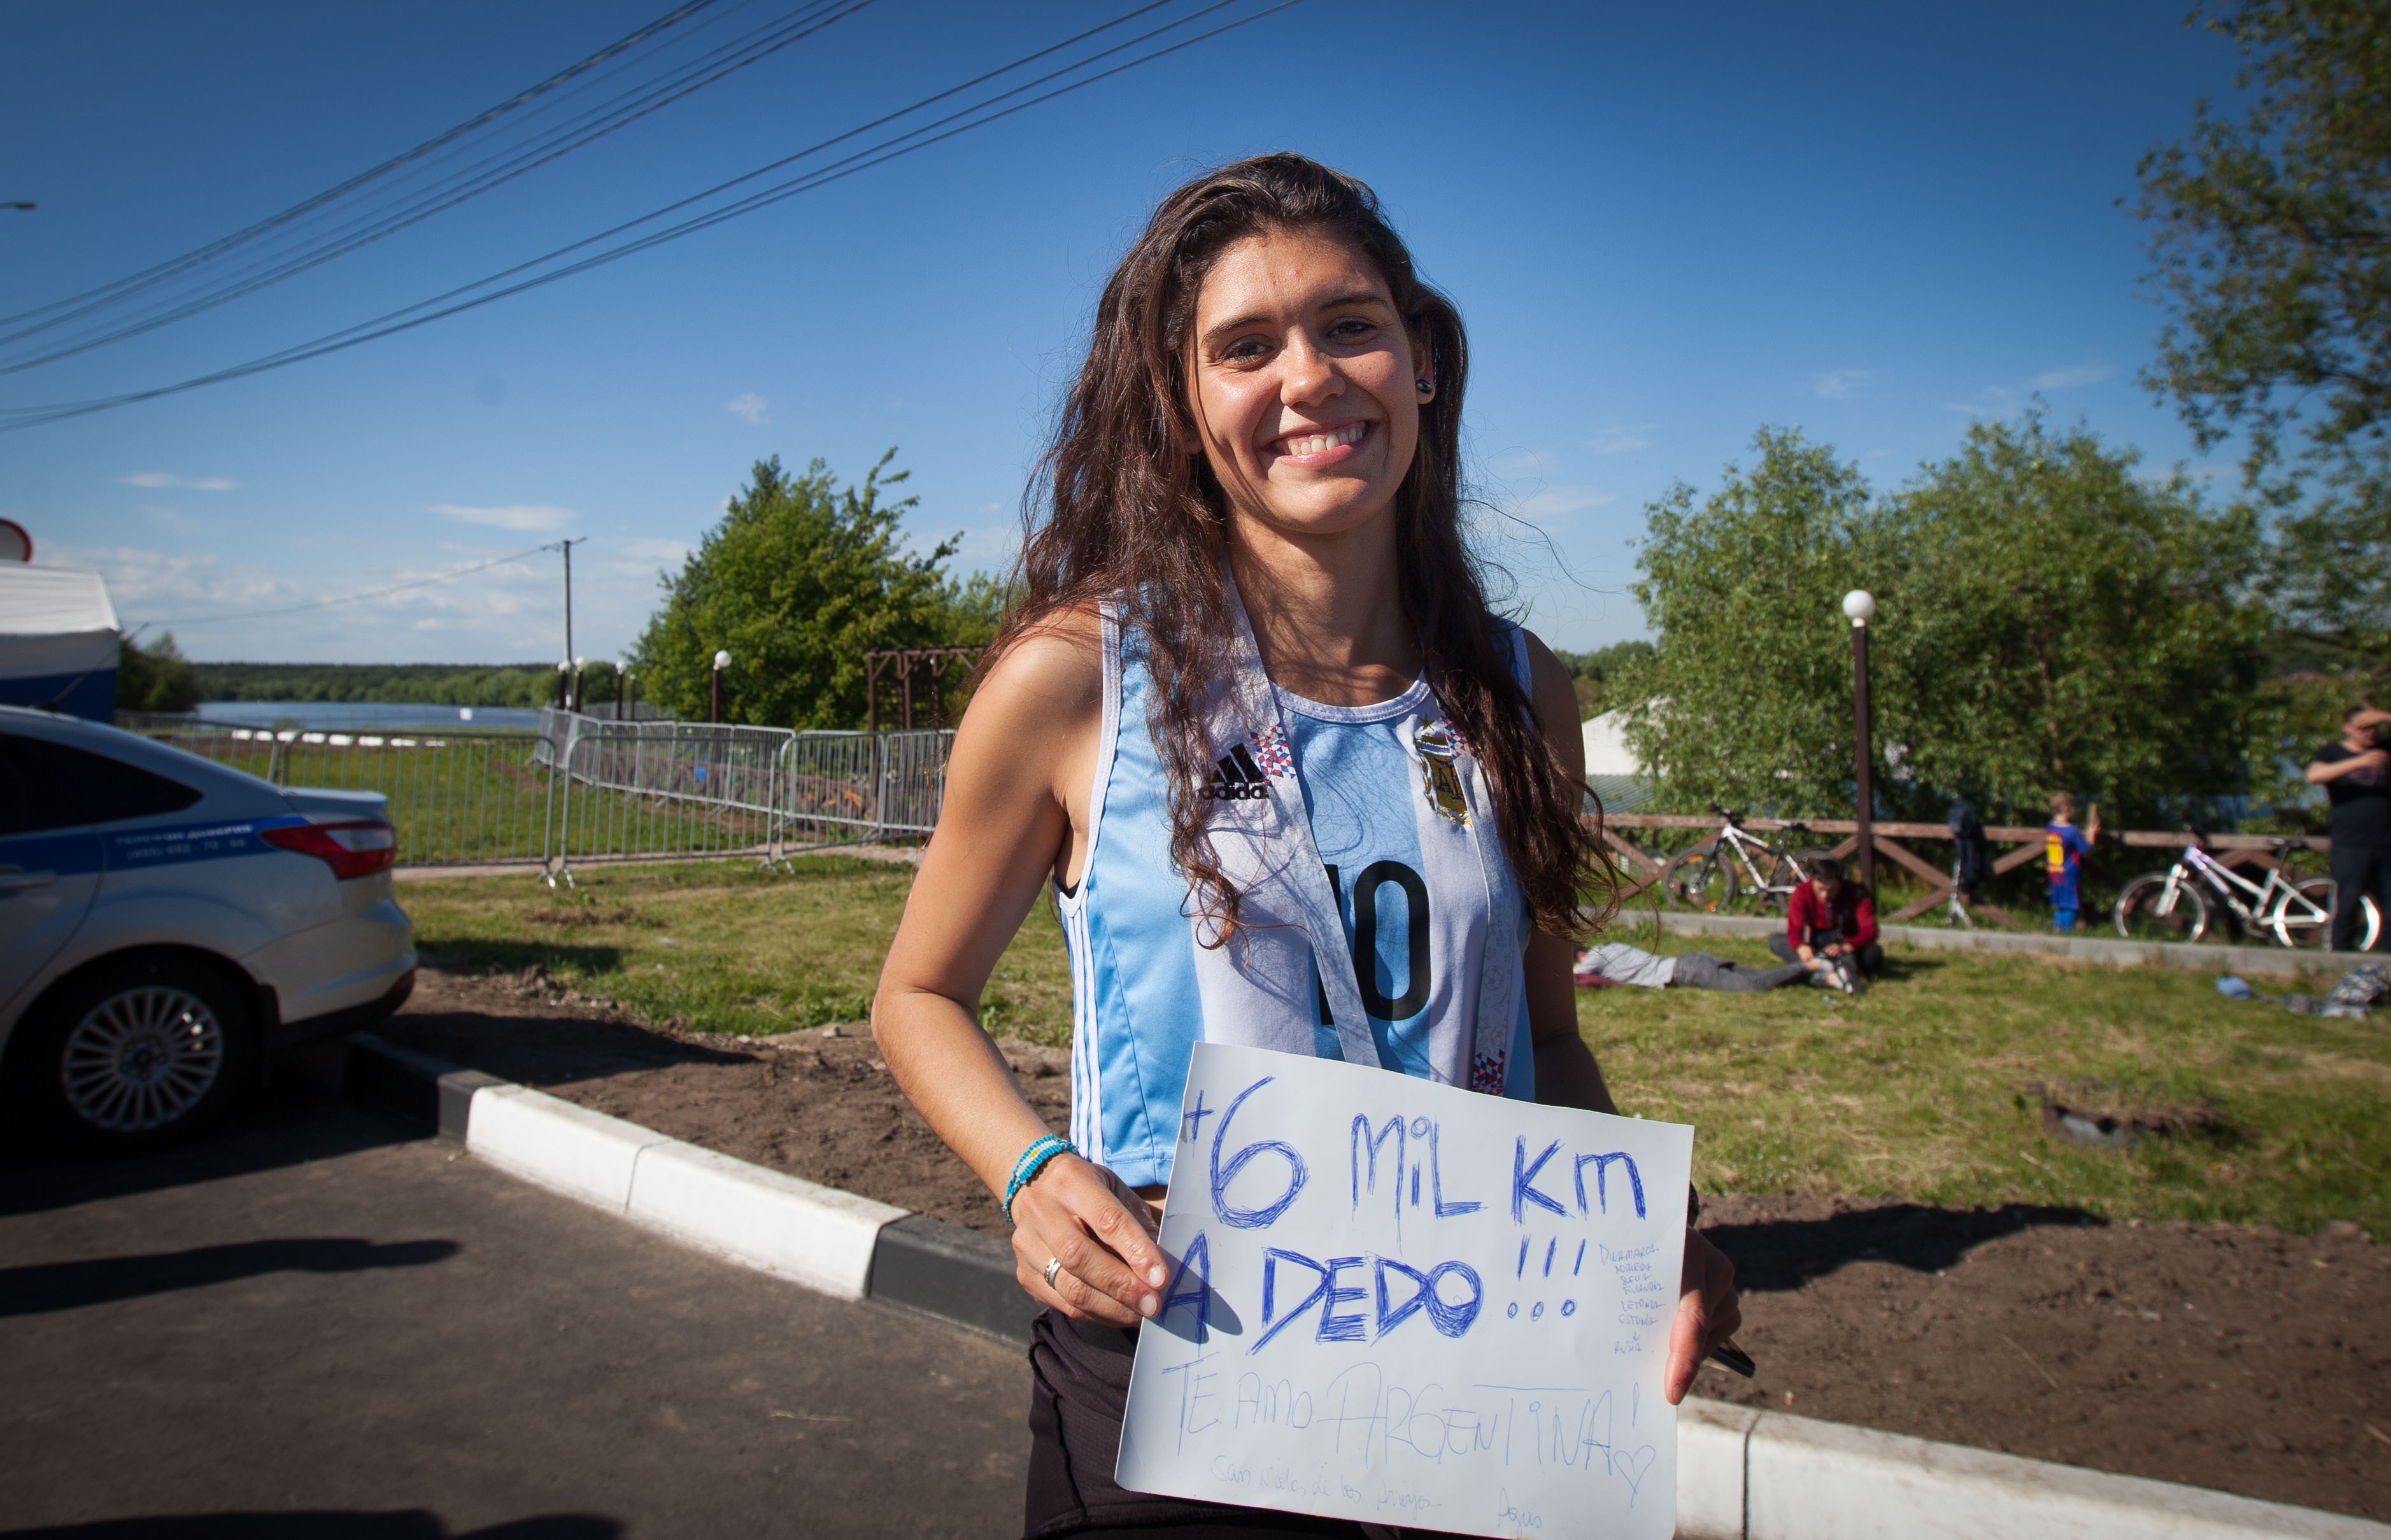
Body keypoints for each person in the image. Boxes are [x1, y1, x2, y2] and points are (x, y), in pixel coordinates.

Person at [871, 155, 1741, 1539]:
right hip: (1179, 1359)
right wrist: (1031, 1177)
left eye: (1349, 326)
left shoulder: (1525, 696)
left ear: (1421, 362)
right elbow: (914, 995)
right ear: (1181, 400)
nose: (1309, 378)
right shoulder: (1072, 679)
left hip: (1484, 1373)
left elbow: (1553, 1043)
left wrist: (1643, 1234)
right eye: (1243, 347)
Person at [2306, 703, 2391, 952]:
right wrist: (2359, 762)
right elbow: (2314, 776)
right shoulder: (2332, 753)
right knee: (2348, 901)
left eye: (2373, 728)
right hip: (2350, 842)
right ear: (2347, 728)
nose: (2370, 733)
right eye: (2363, 728)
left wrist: (2385, 715)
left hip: (2387, 840)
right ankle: (2341, 956)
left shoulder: (2386, 749)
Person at [1769, 856, 1880, 993]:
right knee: (1776, 941)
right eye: (1820, 889)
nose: (1825, 895)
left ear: (1841, 884)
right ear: (1812, 880)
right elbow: (1794, 929)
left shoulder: (1857, 893)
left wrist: (1847, 946)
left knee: (1873, 954)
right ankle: (1831, 966)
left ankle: (1821, 967)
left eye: (1832, 890)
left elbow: (1870, 930)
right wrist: (1801, 947)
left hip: (1847, 944)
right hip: (1817, 945)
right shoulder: (1802, 893)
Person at [1575, 940, 1810, 993]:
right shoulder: (1613, 945)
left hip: (1687, 972)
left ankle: (1808, 965)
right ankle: (1822, 977)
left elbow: (1575, 976)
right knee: (1763, 975)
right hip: (1690, 960)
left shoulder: (1596, 955)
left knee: (1755, 985)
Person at [2043, 791, 2100, 933]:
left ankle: (2057, 928)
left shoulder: (2050, 828)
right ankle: (2067, 931)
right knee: (2071, 904)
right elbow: (2085, 849)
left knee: (2061, 904)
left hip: (2054, 872)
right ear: (2066, 808)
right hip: (2069, 872)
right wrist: (2091, 834)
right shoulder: (2072, 831)